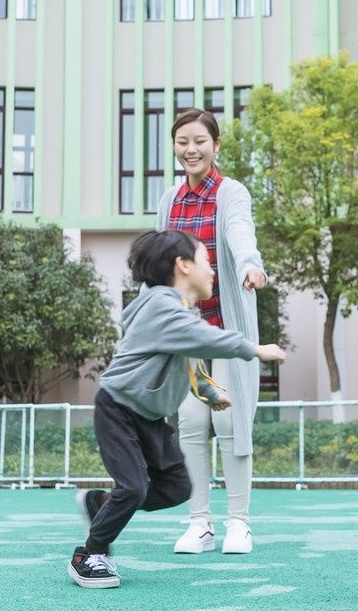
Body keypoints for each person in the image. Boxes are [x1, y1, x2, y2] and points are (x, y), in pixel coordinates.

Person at [70, 230, 286, 589]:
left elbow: (187, 357)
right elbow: (202, 339)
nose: (212, 271)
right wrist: (254, 349)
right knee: (134, 488)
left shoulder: (179, 311)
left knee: (176, 487)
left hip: (150, 416)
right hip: (119, 409)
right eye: (206, 261)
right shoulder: (160, 304)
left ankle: (101, 504)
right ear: (182, 265)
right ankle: (90, 555)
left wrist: (207, 391)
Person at [156, 108, 269, 555]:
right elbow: (160, 260)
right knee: (189, 421)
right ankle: (199, 523)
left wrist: (250, 265)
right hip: (185, 332)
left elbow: (240, 231)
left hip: (226, 327)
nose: (191, 149)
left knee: (228, 420)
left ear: (215, 145)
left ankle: (239, 523)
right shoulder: (169, 199)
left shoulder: (230, 192)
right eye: (182, 141)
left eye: (200, 141)